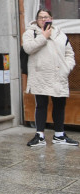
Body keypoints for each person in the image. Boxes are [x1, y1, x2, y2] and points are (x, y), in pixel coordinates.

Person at [22, 9, 78, 147]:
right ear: (36, 19)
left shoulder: (60, 34)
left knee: (59, 105)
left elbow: (69, 53)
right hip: (40, 75)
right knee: (41, 105)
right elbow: (28, 48)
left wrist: (66, 68)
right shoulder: (31, 32)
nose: (43, 19)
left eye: (45, 17)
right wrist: (44, 36)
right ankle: (39, 136)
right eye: (40, 17)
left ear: (51, 18)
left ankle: (59, 135)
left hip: (58, 75)